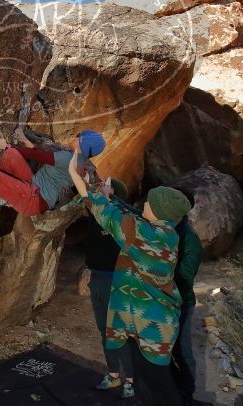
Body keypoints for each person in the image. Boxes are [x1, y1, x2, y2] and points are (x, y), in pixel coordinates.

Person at [68, 149, 191, 406]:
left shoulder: (144, 234)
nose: (144, 204)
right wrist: (104, 192)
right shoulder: (165, 232)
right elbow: (123, 211)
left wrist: (74, 174)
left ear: (158, 211)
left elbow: (105, 212)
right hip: (146, 322)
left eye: (149, 203)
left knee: (160, 388)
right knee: (149, 384)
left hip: (151, 327)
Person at [83, 178, 136, 399]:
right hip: (99, 278)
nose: (101, 186)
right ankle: (114, 375)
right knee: (105, 331)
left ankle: (131, 381)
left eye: (105, 185)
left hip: (117, 280)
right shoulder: (100, 211)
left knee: (121, 332)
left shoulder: (119, 215)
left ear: (114, 192)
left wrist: (104, 199)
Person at [170, 188, 202, 406]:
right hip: (166, 301)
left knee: (182, 349)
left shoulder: (189, 239)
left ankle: (188, 394)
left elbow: (185, 275)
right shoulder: (168, 229)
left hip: (181, 303)